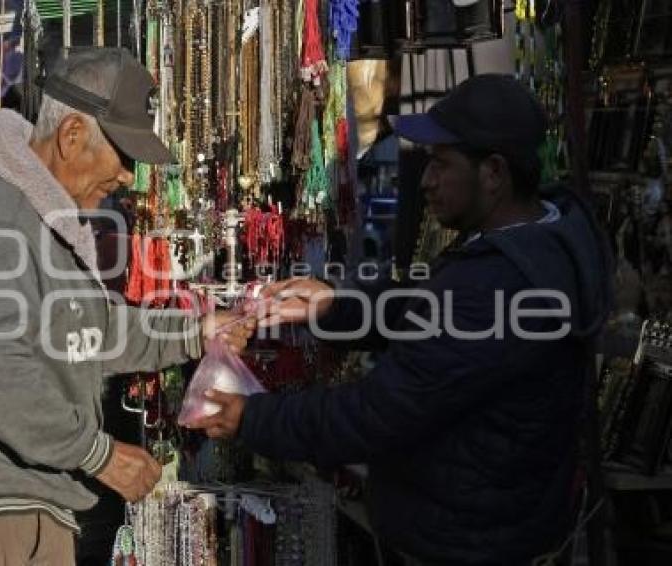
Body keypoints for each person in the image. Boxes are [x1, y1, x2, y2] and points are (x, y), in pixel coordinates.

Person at [192, 75, 613, 564]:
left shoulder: (499, 282)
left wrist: (254, 417)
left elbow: (377, 413)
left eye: (441, 163)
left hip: (469, 542)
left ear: (494, 173)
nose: (426, 179)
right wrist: (337, 306)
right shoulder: (536, 240)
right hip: (499, 519)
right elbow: (434, 314)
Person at [0, 48, 255, 566]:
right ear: (72, 135)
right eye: (124, 156)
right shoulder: (3, 215)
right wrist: (99, 455)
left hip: (26, 492)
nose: (127, 177)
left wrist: (195, 332)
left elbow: (91, 330)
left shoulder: (46, 216)